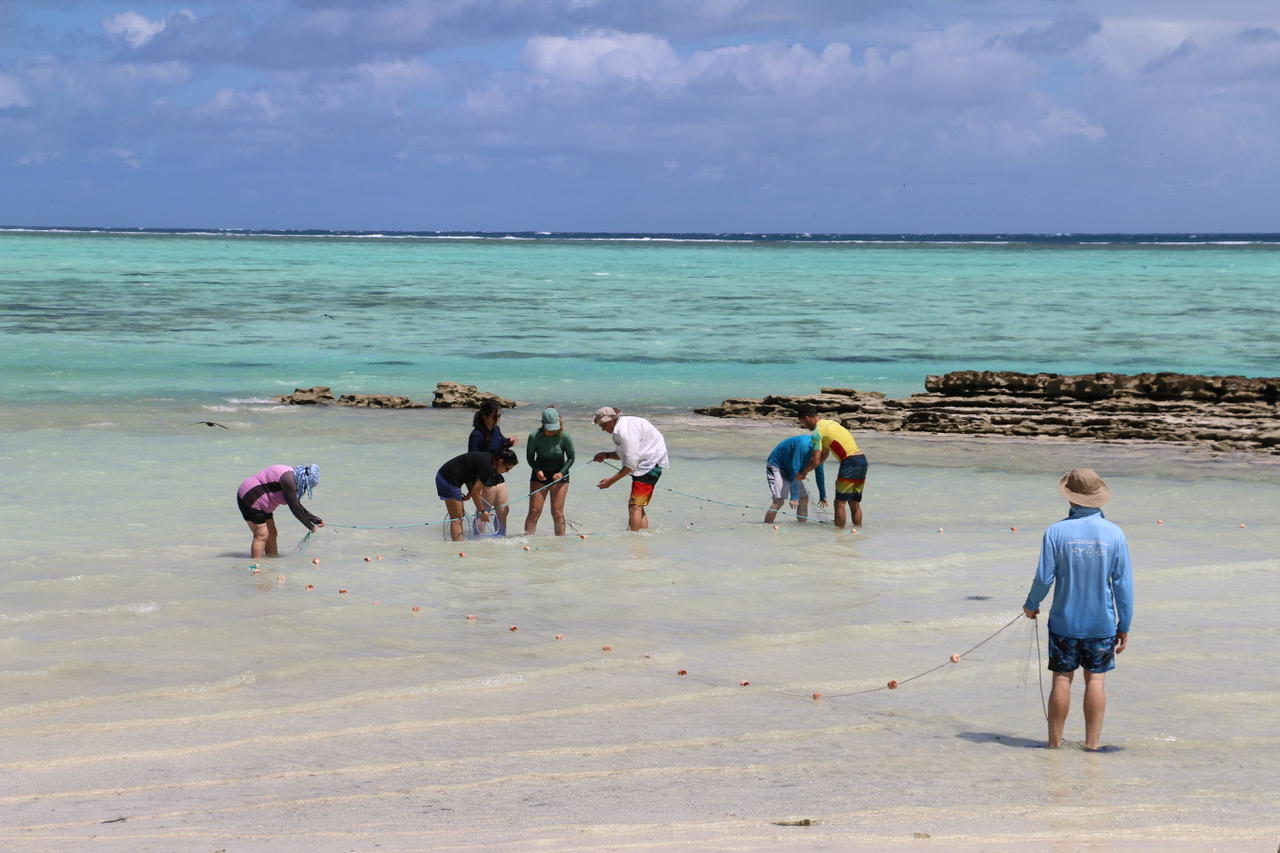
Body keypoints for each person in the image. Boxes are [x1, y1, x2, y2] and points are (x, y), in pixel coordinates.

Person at [1022, 468, 1134, 751]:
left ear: (1069, 498)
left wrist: (1031, 604)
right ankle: (1092, 745)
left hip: (1064, 622)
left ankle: (1054, 744)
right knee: (1095, 678)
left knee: (1062, 678)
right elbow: (1123, 586)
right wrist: (1125, 625)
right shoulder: (1114, 534)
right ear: (1098, 498)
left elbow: (1044, 578)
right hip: (1102, 623)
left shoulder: (1056, 532)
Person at [591, 406, 669, 532]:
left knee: (634, 507)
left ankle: (634, 544)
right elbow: (624, 455)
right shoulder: (621, 427)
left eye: (603, 425)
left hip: (650, 464)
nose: (603, 429)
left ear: (610, 421)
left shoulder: (624, 432)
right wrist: (606, 455)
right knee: (638, 506)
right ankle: (642, 540)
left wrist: (610, 481)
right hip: (646, 462)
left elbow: (630, 465)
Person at [795, 405, 869, 528]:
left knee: (839, 502)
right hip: (862, 460)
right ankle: (857, 533)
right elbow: (823, 457)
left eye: (803, 423)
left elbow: (815, 460)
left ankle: (838, 536)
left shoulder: (817, 432)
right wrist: (809, 471)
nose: (805, 426)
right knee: (854, 502)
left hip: (849, 462)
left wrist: (802, 473)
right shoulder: (831, 423)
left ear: (807, 418)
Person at [236, 464, 324, 558]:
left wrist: (316, 520)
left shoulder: (294, 478)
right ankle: (255, 567)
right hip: (249, 497)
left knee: (272, 533)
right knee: (262, 534)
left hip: (263, 504)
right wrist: (311, 527)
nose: (306, 488)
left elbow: (297, 505)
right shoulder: (289, 480)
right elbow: (294, 508)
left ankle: (272, 563)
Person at [436, 449, 519, 542]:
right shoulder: (488, 468)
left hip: (454, 476)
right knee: (457, 518)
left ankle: (460, 546)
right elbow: (476, 492)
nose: (506, 472)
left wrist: (470, 492)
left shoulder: (490, 460)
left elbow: (469, 470)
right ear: (500, 462)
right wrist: (483, 512)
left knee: (459, 516)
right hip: (447, 478)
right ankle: (459, 550)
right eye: (507, 468)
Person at [467, 399, 519, 534]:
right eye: (494, 416)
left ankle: (500, 539)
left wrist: (509, 442)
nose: (497, 419)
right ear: (485, 416)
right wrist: (476, 485)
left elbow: (500, 444)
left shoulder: (496, 429)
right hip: (484, 478)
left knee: (503, 510)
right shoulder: (476, 435)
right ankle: (477, 541)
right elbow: (472, 460)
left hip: (497, 474)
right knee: (484, 514)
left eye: (499, 416)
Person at [524, 407, 575, 536]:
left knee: (557, 512)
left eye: (553, 428)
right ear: (543, 424)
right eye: (548, 428)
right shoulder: (534, 436)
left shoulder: (564, 436)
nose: (551, 431)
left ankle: (560, 543)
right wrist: (537, 470)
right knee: (535, 511)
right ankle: (527, 539)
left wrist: (562, 473)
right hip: (539, 474)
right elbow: (530, 457)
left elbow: (571, 457)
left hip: (560, 474)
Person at [764, 434, 827, 524]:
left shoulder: (821, 452)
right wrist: (794, 496)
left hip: (791, 470)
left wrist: (822, 495)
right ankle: (766, 528)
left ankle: (801, 528)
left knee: (804, 497)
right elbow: (795, 468)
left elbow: (820, 473)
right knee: (779, 500)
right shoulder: (804, 445)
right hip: (777, 465)